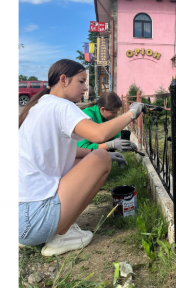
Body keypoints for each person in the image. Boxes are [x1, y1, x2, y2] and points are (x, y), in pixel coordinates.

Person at [19, 60, 144, 256]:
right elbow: (98, 134)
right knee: (102, 158)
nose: (86, 87)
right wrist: (132, 113)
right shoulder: (61, 106)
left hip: (20, 220)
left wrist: (107, 152)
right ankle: (61, 235)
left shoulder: (41, 106)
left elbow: (71, 151)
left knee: (91, 158)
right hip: (36, 220)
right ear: (64, 80)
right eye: (82, 81)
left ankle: (54, 230)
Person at [77, 92, 133, 168]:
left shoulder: (104, 116)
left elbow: (114, 133)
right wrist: (111, 145)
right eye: (113, 112)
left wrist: (126, 143)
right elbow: (83, 148)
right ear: (103, 109)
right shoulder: (86, 117)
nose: (116, 115)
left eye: (117, 112)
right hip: (75, 161)